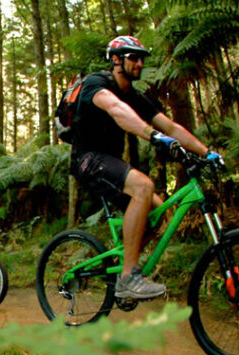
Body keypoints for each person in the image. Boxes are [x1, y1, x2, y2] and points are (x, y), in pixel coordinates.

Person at [70, 35, 224, 299]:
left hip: (111, 163)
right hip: (88, 159)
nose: (140, 64)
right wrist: (152, 135)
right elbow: (116, 109)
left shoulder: (135, 97)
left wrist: (206, 152)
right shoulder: (97, 84)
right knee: (143, 186)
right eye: (134, 58)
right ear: (116, 60)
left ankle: (123, 264)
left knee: (158, 212)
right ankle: (128, 277)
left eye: (142, 59)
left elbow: (171, 127)